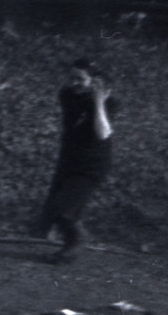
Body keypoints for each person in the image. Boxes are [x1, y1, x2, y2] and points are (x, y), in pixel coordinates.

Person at [32, 58, 116, 264]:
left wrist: (98, 102)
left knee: (64, 207)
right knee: (54, 209)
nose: (74, 82)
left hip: (92, 165)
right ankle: (72, 242)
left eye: (80, 79)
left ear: (95, 82)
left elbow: (103, 132)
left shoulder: (110, 104)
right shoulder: (67, 95)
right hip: (69, 159)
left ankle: (76, 244)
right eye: (71, 78)